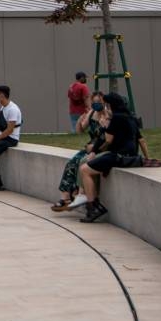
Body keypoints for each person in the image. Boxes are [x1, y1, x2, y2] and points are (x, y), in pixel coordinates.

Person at [71, 92, 148, 223]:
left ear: (111, 105)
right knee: (89, 165)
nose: (106, 107)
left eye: (107, 104)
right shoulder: (130, 117)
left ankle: (93, 207)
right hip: (130, 156)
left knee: (84, 169)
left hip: (119, 156)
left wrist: (104, 127)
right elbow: (142, 140)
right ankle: (94, 205)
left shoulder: (116, 118)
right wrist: (146, 158)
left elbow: (108, 140)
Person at [52, 91, 109, 212]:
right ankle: (66, 196)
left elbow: (107, 138)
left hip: (100, 148)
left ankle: (76, 194)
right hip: (90, 147)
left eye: (99, 102)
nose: (96, 104)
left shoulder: (108, 115)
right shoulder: (92, 113)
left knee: (80, 161)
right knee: (71, 163)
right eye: (94, 102)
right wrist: (79, 121)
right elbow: (80, 130)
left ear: (104, 102)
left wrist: (94, 147)